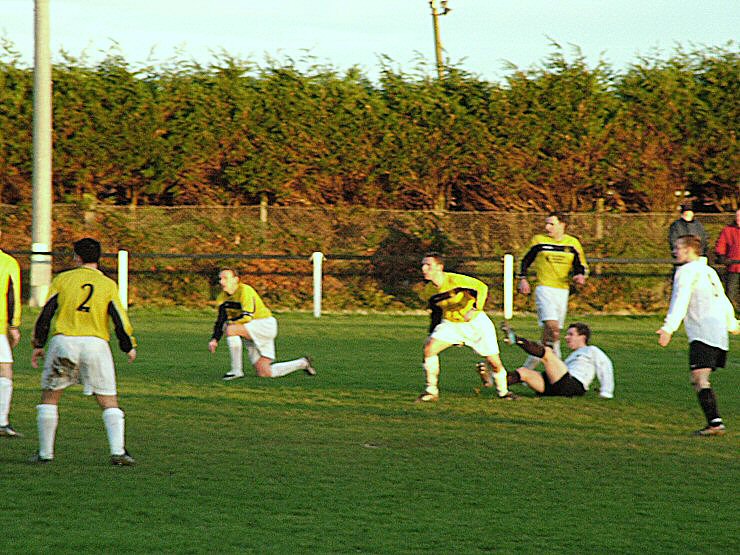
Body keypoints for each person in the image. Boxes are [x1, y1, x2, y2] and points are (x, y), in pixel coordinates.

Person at [30, 238, 138, 465]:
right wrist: (127, 345)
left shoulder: (63, 279)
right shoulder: (107, 284)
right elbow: (119, 317)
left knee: (50, 397)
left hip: (64, 342)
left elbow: (47, 313)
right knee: (108, 399)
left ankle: (45, 454)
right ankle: (118, 452)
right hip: (96, 345)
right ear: (98, 258)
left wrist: (39, 344)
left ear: (76, 257)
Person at [657, 234, 739, 436]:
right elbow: (722, 299)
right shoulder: (708, 271)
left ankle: (715, 423)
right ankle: (715, 422)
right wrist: (731, 322)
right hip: (718, 333)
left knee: (699, 378)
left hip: (703, 332)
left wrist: (669, 328)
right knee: (699, 379)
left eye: (677, 247)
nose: (674, 251)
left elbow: (680, 299)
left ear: (688, 250)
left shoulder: (685, 271)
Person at [416, 252, 514, 402]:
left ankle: (504, 392)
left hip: (475, 324)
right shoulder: (429, 291)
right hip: (451, 324)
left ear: (439, 267)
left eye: (428, 265)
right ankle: (431, 391)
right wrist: (432, 333)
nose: (424, 268)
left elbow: (481, 288)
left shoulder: (455, 280)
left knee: (494, 362)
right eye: (423, 265)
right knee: (429, 348)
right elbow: (436, 312)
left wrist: (475, 308)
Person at [208, 268, 316, 380]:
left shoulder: (245, 291)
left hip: (263, 325)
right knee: (264, 372)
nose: (221, 281)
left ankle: (236, 370)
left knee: (231, 329)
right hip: (248, 328)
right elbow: (221, 319)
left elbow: (247, 316)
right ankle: (303, 363)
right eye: (220, 278)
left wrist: (230, 325)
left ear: (236, 279)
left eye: (225, 278)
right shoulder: (222, 297)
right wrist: (215, 339)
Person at [517, 211, 588, 369]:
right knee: (553, 328)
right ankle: (561, 367)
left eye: (551, 224)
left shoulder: (572, 243)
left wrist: (580, 276)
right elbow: (524, 260)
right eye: (546, 223)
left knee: (547, 337)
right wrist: (522, 279)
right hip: (544, 289)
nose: (547, 227)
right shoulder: (539, 241)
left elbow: (581, 265)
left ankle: (526, 370)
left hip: (562, 291)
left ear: (562, 225)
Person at [501, 321, 614, 399]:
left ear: (582, 337)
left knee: (548, 354)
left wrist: (606, 391)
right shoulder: (572, 356)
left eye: (571, 334)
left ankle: (515, 339)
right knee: (523, 372)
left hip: (574, 385)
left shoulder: (591, 350)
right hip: (558, 385)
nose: (566, 337)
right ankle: (494, 380)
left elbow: (605, 366)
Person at [0, 232, 22, 437]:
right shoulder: (7, 262)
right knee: (4, 371)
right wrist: (14, 326)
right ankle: (1, 421)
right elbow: (12, 295)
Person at [714, 209, 740, 311]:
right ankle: (728, 314)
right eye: (737, 217)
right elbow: (721, 243)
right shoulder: (728, 230)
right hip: (733, 267)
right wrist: (721, 255)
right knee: (730, 292)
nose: (738, 219)